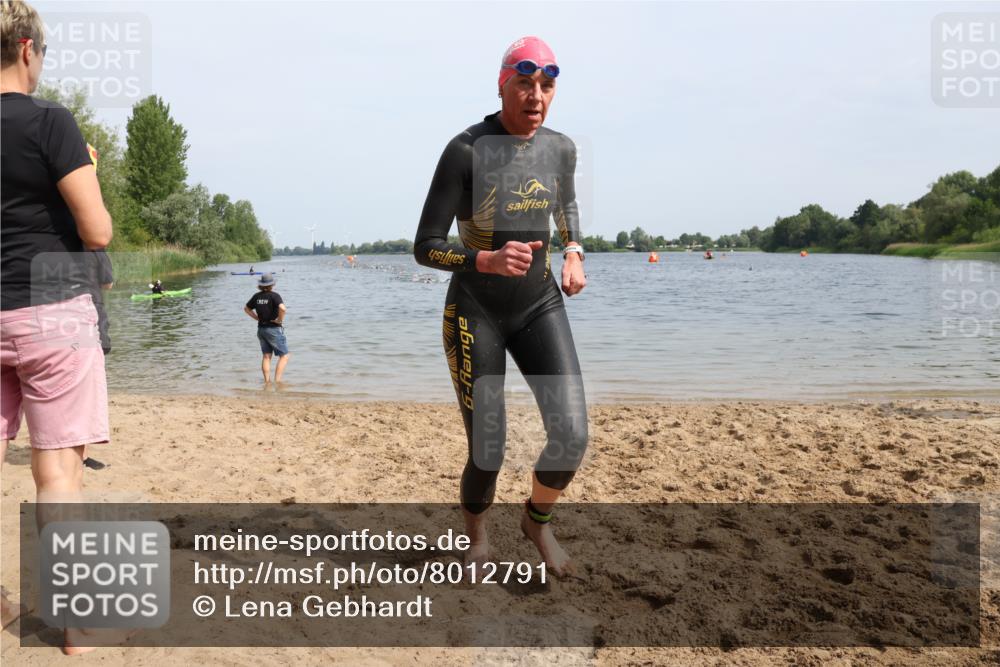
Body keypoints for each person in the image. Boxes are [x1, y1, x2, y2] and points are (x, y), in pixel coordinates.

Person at [414, 36, 587, 577]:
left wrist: (574, 250)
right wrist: (483, 260)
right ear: (502, 84)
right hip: (475, 310)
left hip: (538, 304)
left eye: (547, 86)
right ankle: (477, 535)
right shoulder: (466, 149)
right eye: (525, 84)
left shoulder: (560, 148)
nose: (536, 96)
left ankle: (537, 521)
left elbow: (566, 202)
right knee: (488, 449)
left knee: (573, 435)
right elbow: (424, 245)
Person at [1, 0, 113, 651]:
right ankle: (72, 623)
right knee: (58, 475)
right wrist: (84, 168)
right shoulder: (51, 122)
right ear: (25, 49)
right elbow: (97, 231)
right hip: (50, 312)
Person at [243, 272, 289, 383]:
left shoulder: (256, 296)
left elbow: (246, 309)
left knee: (266, 356)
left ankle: (267, 382)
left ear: (261, 285)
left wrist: (256, 318)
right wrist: (279, 320)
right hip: (273, 329)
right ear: (272, 284)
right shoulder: (274, 296)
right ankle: (277, 382)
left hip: (261, 329)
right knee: (284, 356)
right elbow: (283, 309)